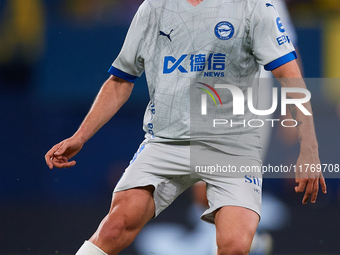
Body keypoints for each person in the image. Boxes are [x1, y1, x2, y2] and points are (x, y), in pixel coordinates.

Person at [45, 0, 327, 254]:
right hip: (165, 142)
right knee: (114, 227)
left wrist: (310, 148)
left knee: (235, 245)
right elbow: (120, 81)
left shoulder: (253, 7)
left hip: (232, 145)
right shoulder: (153, 9)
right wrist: (80, 136)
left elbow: (290, 76)